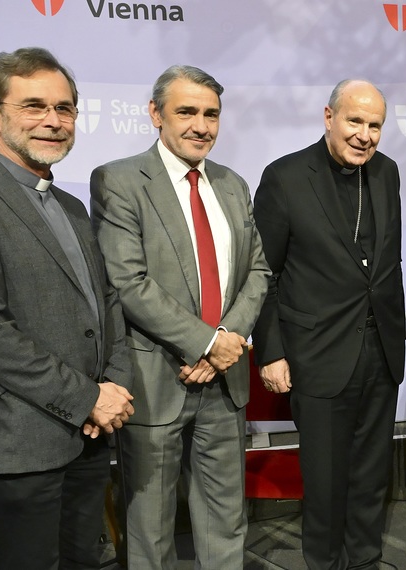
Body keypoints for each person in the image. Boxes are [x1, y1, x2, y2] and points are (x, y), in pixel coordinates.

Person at [0, 47, 135, 569]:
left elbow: (106, 306)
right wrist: (88, 397)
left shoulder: (70, 204)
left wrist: (114, 386)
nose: (53, 121)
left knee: (86, 560)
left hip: (89, 434)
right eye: (34, 106)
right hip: (23, 438)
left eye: (64, 109)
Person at [89, 65, 270, 569]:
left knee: (226, 517)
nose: (201, 125)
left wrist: (226, 341)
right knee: (149, 526)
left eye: (211, 114)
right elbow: (128, 282)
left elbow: (257, 270)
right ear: (155, 114)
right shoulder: (119, 180)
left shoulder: (233, 184)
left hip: (224, 378)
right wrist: (208, 343)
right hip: (154, 378)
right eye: (186, 111)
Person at [252, 79, 404, 570]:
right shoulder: (285, 177)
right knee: (324, 480)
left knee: (370, 475)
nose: (365, 135)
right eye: (355, 121)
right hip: (317, 355)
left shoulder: (388, 173)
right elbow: (263, 273)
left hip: (379, 351)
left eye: (374, 124)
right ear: (328, 117)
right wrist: (271, 349)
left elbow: (386, 266)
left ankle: (365, 560)